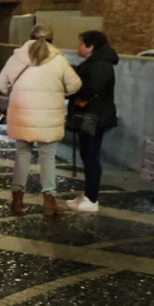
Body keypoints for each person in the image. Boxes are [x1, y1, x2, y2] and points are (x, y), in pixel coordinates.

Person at [0, 24, 80, 216]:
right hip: (48, 119)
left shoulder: (16, 58)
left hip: (22, 116)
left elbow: (2, 84)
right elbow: (75, 85)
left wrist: (13, 90)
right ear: (52, 40)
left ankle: (17, 201)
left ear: (30, 37)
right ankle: (49, 202)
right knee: (48, 158)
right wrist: (60, 90)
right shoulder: (59, 60)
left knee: (22, 156)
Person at [64, 30, 119, 213]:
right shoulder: (95, 62)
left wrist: (73, 83)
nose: (78, 46)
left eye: (81, 43)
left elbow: (90, 88)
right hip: (90, 116)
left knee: (91, 157)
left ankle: (92, 198)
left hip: (95, 118)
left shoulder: (101, 65)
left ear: (91, 47)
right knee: (87, 155)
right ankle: (88, 195)